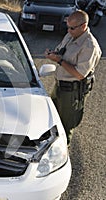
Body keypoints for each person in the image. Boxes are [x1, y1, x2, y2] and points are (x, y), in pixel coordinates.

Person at [45, 10, 101, 145]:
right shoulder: (71, 36)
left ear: (83, 26)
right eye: (68, 27)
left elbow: (80, 74)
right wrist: (53, 54)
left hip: (72, 92)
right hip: (59, 86)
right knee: (51, 121)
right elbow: (61, 51)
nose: (68, 30)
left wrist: (58, 61)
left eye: (72, 28)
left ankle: (62, 159)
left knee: (65, 128)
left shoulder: (89, 46)